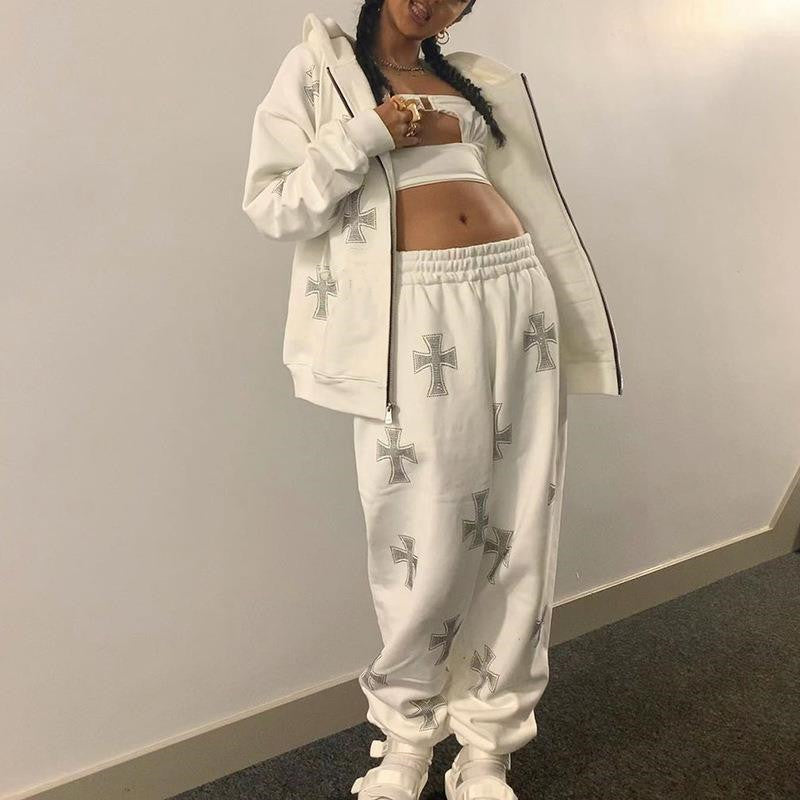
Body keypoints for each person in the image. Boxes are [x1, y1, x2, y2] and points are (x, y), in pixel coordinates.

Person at [241, 2, 623, 798]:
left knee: (520, 526)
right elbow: (273, 207)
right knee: (419, 523)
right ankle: (407, 739)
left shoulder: (476, 82)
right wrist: (366, 134)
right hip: (411, 312)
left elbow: (523, 190)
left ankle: (488, 746)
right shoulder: (320, 71)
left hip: (516, 298)